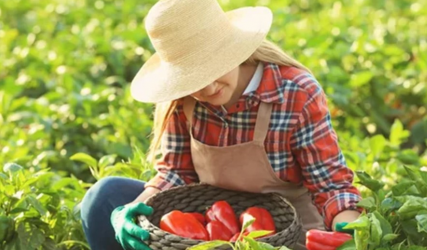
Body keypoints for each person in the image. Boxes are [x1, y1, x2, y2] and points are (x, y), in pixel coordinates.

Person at [79, 0, 363, 249]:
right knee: (105, 197)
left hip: (285, 236)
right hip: (210, 230)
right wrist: (133, 210)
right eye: (192, 79)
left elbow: (330, 184)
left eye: (213, 68)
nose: (207, 87)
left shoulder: (294, 93)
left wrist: (347, 229)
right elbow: (177, 172)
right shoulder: (183, 100)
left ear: (232, 50)